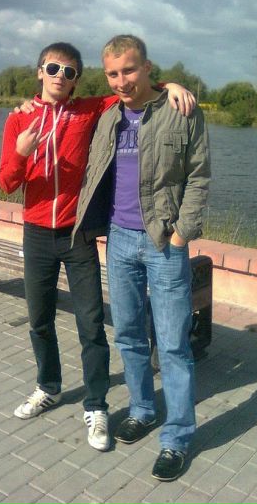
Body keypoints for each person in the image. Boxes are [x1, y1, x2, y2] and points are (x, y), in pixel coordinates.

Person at [0, 41, 196, 452]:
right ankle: (48, 386)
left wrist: (170, 85)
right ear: (40, 72)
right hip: (37, 233)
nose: (60, 77)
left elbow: (133, 89)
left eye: (69, 72)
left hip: (78, 235)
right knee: (39, 319)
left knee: (91, 325)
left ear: (76, 81)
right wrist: (20, 154)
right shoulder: (19, 119)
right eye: (53, 68)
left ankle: (96, 405)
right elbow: (6, 182)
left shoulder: (90, 110)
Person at [73, 35, 210, 479]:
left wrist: (181, 235)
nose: (121, 81)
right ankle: (142, 409)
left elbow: (199, 176)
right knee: (129, 335)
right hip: (118, 240)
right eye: (112, 74)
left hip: (162, 241)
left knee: (171, 345)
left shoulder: (181, 111)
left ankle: (177, 437)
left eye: (129, 70)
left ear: (148, 67)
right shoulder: (108, 115)